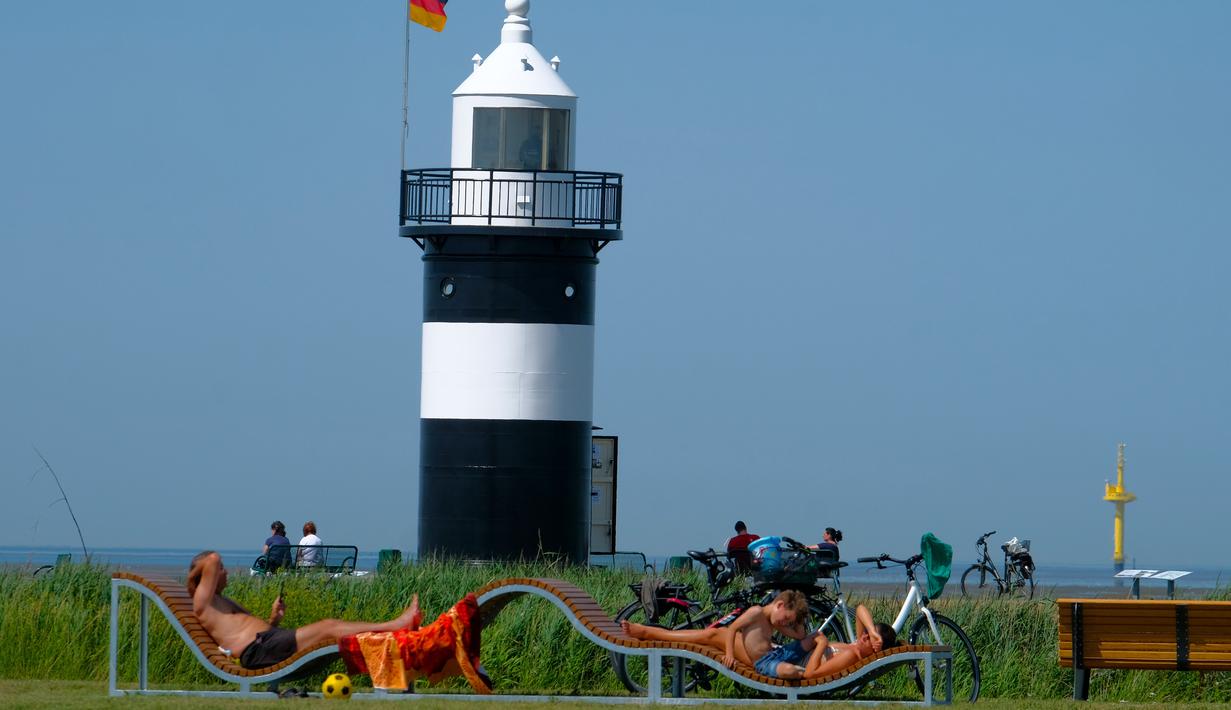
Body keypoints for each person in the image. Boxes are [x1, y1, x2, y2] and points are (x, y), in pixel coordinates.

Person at [188, 551, 421, 669]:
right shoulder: (203, 603)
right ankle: (395, 625)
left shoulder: (222, 602)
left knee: (330, 628)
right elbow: (212, 558)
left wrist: (273, 619)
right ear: (205, 577)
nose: (225, 571)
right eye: (221, 570)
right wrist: (193, 575)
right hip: (259, 650)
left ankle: (393, 630)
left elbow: (250, 630)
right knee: (329, 626)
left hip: (266, 643)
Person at [621, 590, 810, 675]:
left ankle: (648, 631)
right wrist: (728, 654)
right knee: (713, 635)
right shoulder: (757, 612)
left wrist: (798, 618)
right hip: (750, 653)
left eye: (789, 622)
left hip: (757, 659)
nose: (786, 623)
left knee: (711, 635)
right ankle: (648, 631)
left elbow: (801, 636)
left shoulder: (774, 622)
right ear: (779, 605)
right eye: (786, 618)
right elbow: (734, 627)